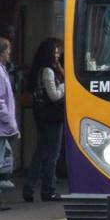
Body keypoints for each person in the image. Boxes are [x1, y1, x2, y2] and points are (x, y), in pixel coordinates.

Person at [23, 38, 65, 202]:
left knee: (40, 152)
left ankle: (29, 187)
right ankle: (48, 190)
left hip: (41, 115)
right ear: (49, 53)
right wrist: (64, 86)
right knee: (52, 154)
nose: (58, 55)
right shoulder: (48, 71)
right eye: (55, 52)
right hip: (52, 116)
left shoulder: (40, 70)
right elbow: (54, 96)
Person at [0, 37, 18, 208]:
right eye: (7, 50)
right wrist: (10, 122)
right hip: (2, 126)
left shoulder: (3, 69)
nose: (9, 53)